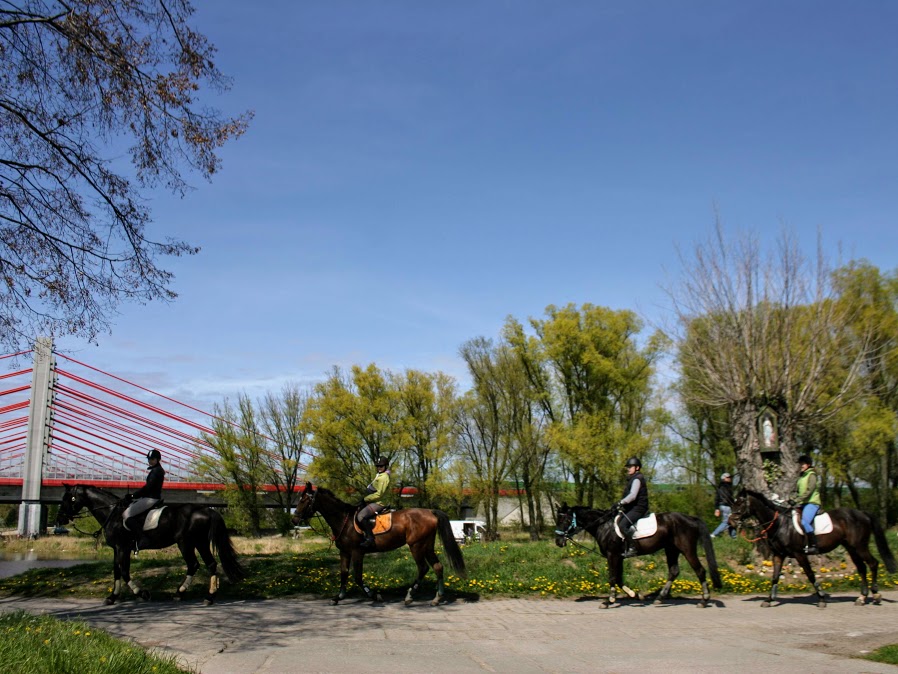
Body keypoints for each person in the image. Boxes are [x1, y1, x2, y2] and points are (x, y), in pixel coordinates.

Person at [123, 449, 165, 531]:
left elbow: (148, 488)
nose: (150, 461)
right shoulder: (157, 470)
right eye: (149, 459)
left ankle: (142, 537)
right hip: (150, 497)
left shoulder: (156, 471)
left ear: (158, 459)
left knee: (126, 514)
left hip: (150, 499)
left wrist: (133, 495)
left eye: (152, 459)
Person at [616, 456, 649, 558]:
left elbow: (633, 495)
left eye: (630, 466)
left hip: (639, 508)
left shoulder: (637, 479)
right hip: (634, 507)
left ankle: (633, 548)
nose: (628, 468)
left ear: (637, 468)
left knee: (622, 525)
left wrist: (622, 502)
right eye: (628, 467)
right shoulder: (633, 479)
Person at [357, 456, 390, 548]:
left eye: (381, 466)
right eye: (378, 466)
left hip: (379, 503)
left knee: (361, 516)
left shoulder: (384, 477)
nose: (379, 467)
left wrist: (365, 499)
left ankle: (370, 538)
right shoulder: (379, 475)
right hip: (373, 501)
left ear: (386, 466)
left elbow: (379, 494)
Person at [795, 454, 821, 554]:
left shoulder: (812, 475)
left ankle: (814, 545)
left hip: (812, 503)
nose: (801, 465)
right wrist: (792, 499)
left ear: (808, 465)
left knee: (804, 522)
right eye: (801, 463)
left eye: (803, 464)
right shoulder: (801, 477)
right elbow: (798, 491)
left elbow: (810, 490)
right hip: (802, 503)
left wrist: (799, 499)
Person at [711, 472, 736, 538]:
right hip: (726, 506)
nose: (730, 478)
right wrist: (734, 503)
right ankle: (713, 534)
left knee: (731, 522)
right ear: (724, 478)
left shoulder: (720, 487)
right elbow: (728, 497)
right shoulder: (726, 487)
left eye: (730, 477)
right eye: (728, 477)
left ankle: (734, 537)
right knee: (726, 522)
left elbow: (716, 498)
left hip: (722, 506)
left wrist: (716, 508)